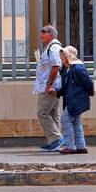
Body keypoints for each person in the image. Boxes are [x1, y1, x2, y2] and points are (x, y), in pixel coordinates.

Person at [57, 45, 95, 155]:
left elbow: (88, 82)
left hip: (76, 100)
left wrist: (91, 92)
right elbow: (65, 86)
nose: (61, 58)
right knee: (76, 122)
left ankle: (70, 146)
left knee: (65, 119)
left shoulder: (78, 68)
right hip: (73, 99)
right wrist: (57, 92)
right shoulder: (67, 69)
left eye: (63, 55)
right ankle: (81, 146)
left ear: (68, 56)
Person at [33, 24, 63, 152]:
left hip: (49, 86)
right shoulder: (50, 48)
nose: (41, 35)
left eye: (43, 32)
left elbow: (56, 66)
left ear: (50, 34)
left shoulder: (54, 48)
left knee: (42, 113)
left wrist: (49, 85)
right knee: (53, 113)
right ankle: (55, 143)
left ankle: (56, 139)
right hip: (50, 85)